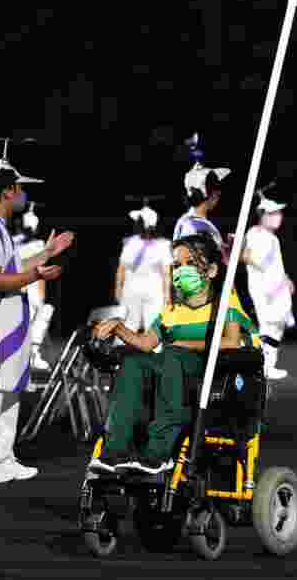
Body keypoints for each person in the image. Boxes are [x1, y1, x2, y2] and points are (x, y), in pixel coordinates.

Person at [89, 232, 258, 475]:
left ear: (211, 271)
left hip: (210, 369)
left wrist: (184, 345)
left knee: (172, 355)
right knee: (134, 362)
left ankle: (158, 453)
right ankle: (115, 451)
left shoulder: (225, 299)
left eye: (191, 263)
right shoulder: (172, 308)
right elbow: (146, 343)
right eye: (177, 265)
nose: (181, 270)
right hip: (172, 364)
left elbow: (232, 341)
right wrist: (118, 326)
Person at [0, 152, 74, 483]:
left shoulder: (2, 229)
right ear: (8, 190)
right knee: (0, 393)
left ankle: (3, 458)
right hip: (1, 323)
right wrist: (36, 276)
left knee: (9, 393)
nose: (22, 194)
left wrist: (47, 253)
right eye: (19, 188)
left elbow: (14, 269)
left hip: (10, 322)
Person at [242, 196, 295, 380]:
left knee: (276, 326)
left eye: (279, 213)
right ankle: (262, 366)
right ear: (263, 216)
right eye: (274, 213)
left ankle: (268, 365)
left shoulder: (272, 238)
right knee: (268, 325)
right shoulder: (255, 234)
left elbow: (275, 265)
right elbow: (247, 256)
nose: (279, 216)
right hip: (265, 290)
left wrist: (285, 279)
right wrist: (267, 284)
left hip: (276, 288)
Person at [114, 205, 172, 334]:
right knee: (132, 325)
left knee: (146, 326)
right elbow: (122, 268)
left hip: (149, 290)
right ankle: (123, 352)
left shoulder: (162, 244)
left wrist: (167, 294)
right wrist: (118, 287)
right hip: (136, 289)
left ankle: (152, 352)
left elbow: (166, 272)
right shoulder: (131, 242)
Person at [12, 204, 53, 371]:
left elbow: (41, 271)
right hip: (17, 287)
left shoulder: (38, 244)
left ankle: (33, 354)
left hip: (33, 289)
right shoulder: (12, 242)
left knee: (45, 312)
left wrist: (41, 296)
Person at [174, 161, 231, 258]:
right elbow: (187, 265)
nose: (219, 193)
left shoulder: (195, 222)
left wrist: (227, 249)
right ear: (212, 194)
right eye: (216, 187)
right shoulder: (193, 225)